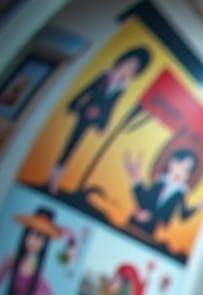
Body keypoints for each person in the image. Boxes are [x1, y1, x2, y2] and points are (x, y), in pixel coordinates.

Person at [48, 46, 152, 195]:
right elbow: (87, 90)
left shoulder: (122, 88)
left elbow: (110, 107)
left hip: (96, 119)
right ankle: (54, 178)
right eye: (128, 63)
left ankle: (61, 179)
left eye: (134, 68)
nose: (128, 68)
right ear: (122, 60)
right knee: (69, 146)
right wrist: (73, 104)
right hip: (84, 113)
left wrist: (103, 125)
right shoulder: (106, 76)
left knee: (80, 149)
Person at [0, 207, 62, 295]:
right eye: (30, 234)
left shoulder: (42, 289)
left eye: (39, 237)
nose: (33, 240)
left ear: (44, 243)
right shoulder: (10, 262)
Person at [124, 147, 203, 237]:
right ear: (171, 163)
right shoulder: (161, 181)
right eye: (179, 164)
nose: (181, 172)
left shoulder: (180, 192)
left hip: (149, 230)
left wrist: (199, 206)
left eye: (186, 170)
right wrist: (136, 179)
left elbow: (183, 215)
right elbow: (144, 199)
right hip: (133, 223)